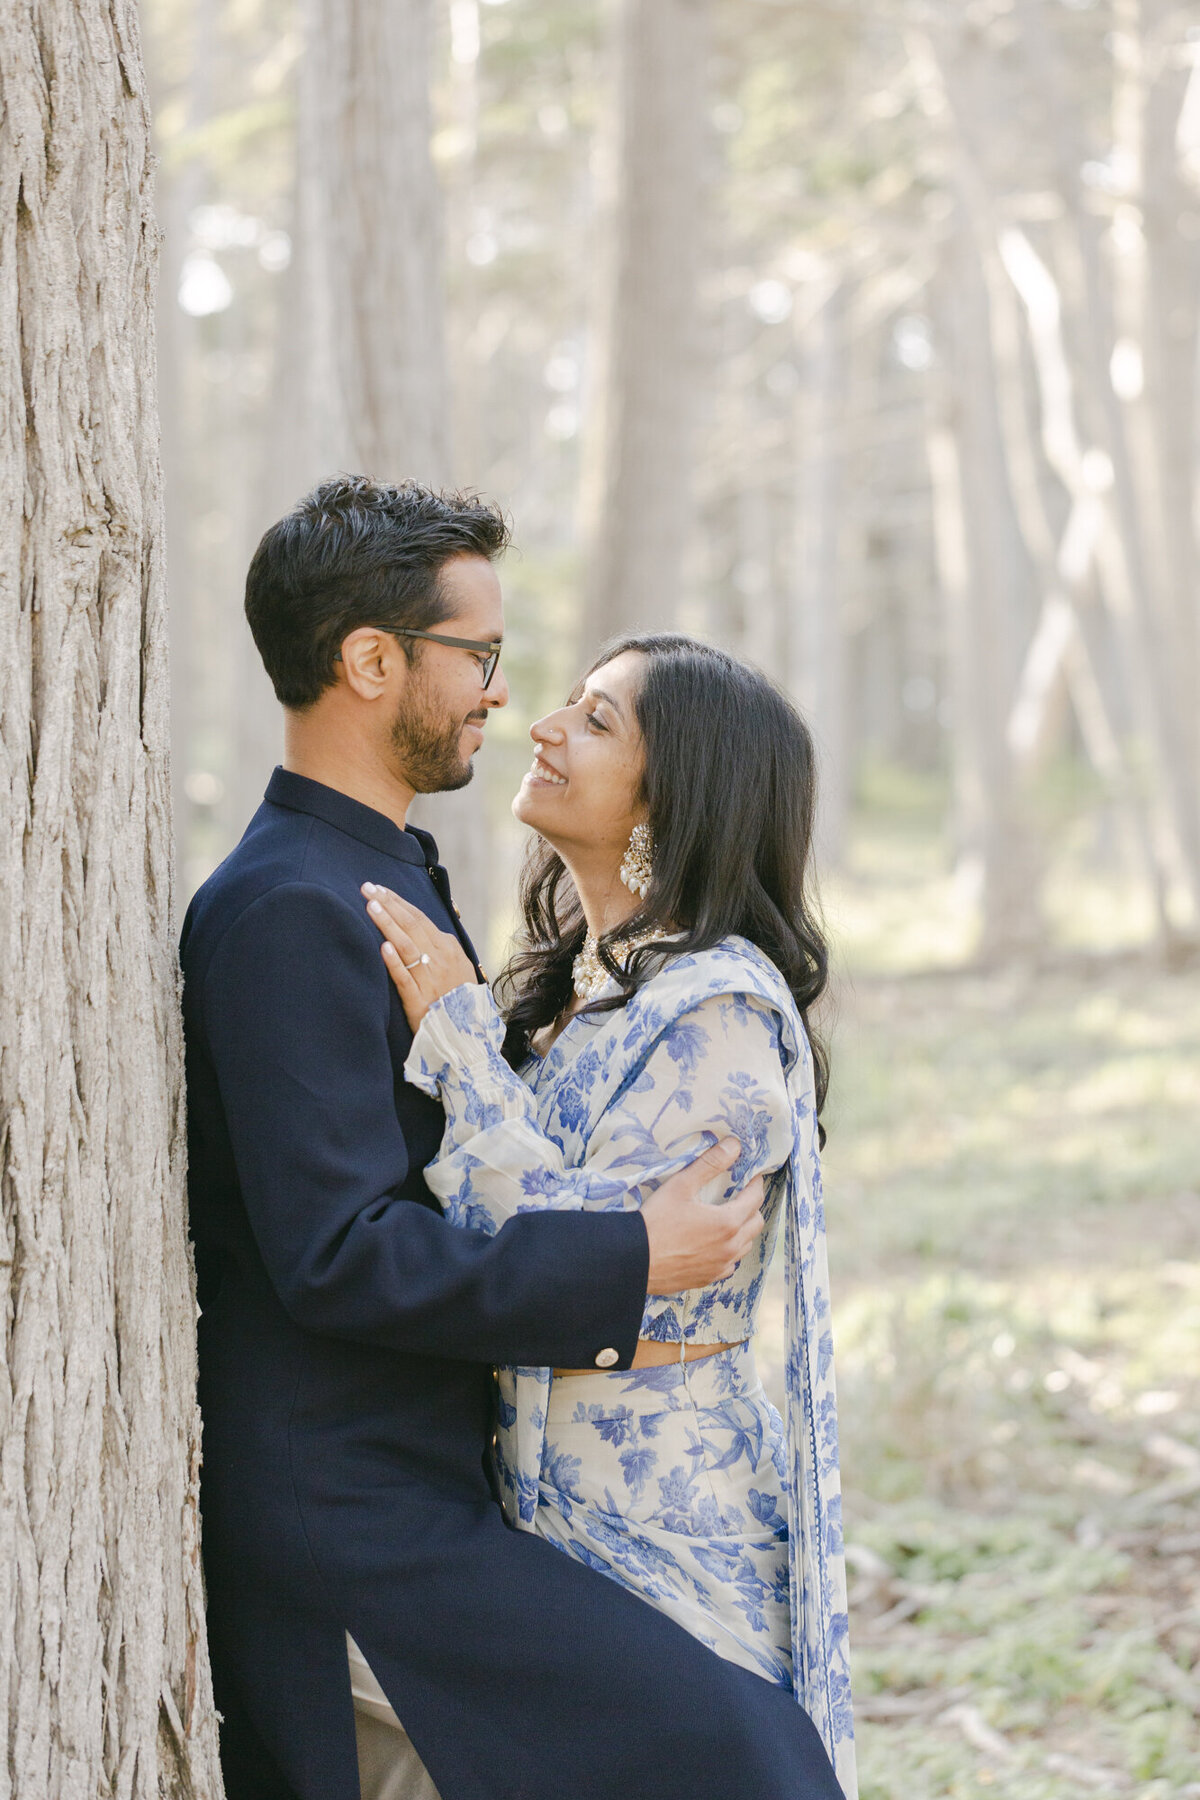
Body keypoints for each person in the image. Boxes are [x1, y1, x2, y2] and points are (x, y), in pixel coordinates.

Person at [181, 475, 846, 1800]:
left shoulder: (385, 877)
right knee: (743, 1762)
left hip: (457, 1497)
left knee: (751, 1753)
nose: (503, 692)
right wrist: (624, 1259)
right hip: (359, 1521)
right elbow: (339, 1255)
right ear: (373, 661)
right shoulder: (283, 909)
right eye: (480, 656)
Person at [361, 633, 856, 1798]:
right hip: (536, 1517)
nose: (542, 726)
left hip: (668, 1525)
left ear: (672, 793)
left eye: (594, 720)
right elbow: (579, 1243)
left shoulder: (720, 1015)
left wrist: (458, 1048)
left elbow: (559, 1250)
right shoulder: (575, 991)